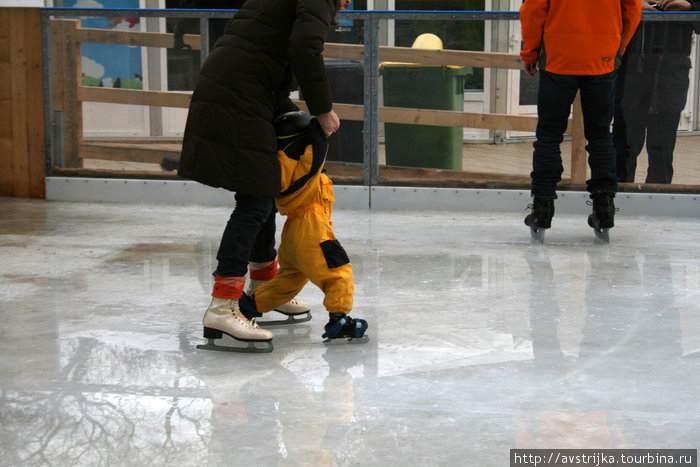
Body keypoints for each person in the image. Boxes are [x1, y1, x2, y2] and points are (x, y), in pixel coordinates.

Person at [178, 0, 350, 353]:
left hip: (239, 87)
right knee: (255, 201)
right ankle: (223, 306)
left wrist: (290, 110)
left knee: (265, 190)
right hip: (240, 95)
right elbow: (304, 47)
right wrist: (322, 110)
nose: (346, 3)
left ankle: (262, 289)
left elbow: (264, 52)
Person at [238, 111, 368, 343]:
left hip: (294, 234)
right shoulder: (307, 166)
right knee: (338, 272)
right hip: (312, 229)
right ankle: (339, 319)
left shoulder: (281, 165)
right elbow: (318, 147)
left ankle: (248, 306)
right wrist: (320, 124)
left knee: (289, 280)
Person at [520, 0, 641, 243]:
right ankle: (604, 205)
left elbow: (533, 10)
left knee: (549, 136)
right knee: (600, 135)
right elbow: (632, 9)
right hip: (602, 57)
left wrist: (531, 51)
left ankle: (542, 207)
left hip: (559, 57)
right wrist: (617, 46)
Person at [614, 0, 700, 184]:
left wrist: (689, 6)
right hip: (630, 72)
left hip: (670, 74)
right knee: (625, 146)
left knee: (661, 147)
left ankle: (658, 196)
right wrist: (634, 5)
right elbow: (602, 13)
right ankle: (616, 199)